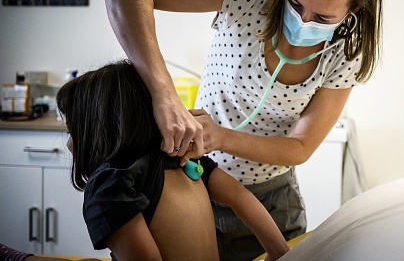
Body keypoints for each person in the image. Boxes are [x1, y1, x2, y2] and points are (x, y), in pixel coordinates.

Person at [102, 0, 383, 260]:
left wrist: (220, 137)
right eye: (294, 3)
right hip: (192, 184)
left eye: (323, 18)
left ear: (353, 13)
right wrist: (164, 94)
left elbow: (300, 146)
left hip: (273, 201)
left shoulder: (346, 54)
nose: (303, 21)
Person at [54, 60, 289, 261]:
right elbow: (240, 196)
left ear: (98, 130)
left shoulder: (111, 185)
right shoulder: (181, 157)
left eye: (71, 130)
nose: (69, 143)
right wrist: (279, 252)